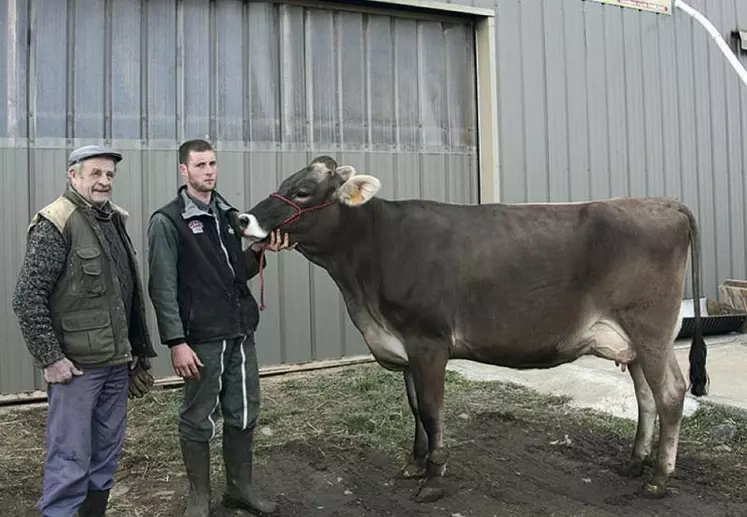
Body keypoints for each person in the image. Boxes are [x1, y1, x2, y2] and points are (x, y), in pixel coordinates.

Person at [147, 139, 294, 517]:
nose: (208, 171)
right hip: (202, 339)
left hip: (241, 332)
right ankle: (198, 498)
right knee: (198, 418)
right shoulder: (168, 222)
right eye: (200, 165)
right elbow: (161, 287)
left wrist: (259, 253)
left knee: (244, 411)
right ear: (184, 170)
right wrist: (176, 342)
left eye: (212, 164)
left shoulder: (230, 217)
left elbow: (236, 274)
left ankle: (240, 491)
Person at [12, 145, 157, 517]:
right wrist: (50, 358)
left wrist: (137, 352)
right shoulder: (57, 221)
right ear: (73, 175)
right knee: (70, 458)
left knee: (105, 455)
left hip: (115, 363)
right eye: (95, 173)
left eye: (109, 175)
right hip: (77, 368)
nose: (104, 181)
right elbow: (27, 297)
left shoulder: (113, 220)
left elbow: (123, 295)